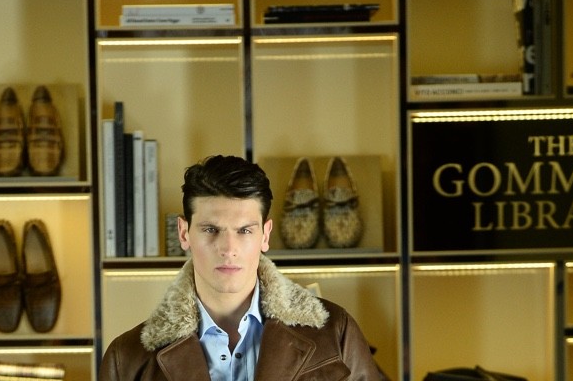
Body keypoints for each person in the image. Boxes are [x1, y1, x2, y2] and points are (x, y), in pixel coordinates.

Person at [101, 155, 384, 380]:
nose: (228, 248)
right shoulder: (126, 359)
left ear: (265, 235)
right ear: (184, 233)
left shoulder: (335, 332)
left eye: (244, 231)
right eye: (211, 229)